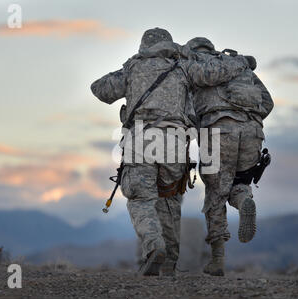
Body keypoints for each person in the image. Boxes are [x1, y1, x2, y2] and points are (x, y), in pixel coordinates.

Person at [91, 28, 245, 276]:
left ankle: (154, 247)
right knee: (170, 201)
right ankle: (169, 266)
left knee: (141, 200)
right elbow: (215, 73)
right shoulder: (183, 67)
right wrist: (241, 62)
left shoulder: (133, 68)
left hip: (142, 138)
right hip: (175, 143)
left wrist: (129, 67)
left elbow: (99, 89)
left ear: (143, 46)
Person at [186, 37, 274, 276]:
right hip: (253, 131)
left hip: (218, 131)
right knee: (240, 180)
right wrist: (247, 119)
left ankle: (217, 260)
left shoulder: (191, 65)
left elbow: (186, 109)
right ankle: (244, 201)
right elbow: (267, 102)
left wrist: (201, 126)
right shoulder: (239, 65)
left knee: (215, 192)